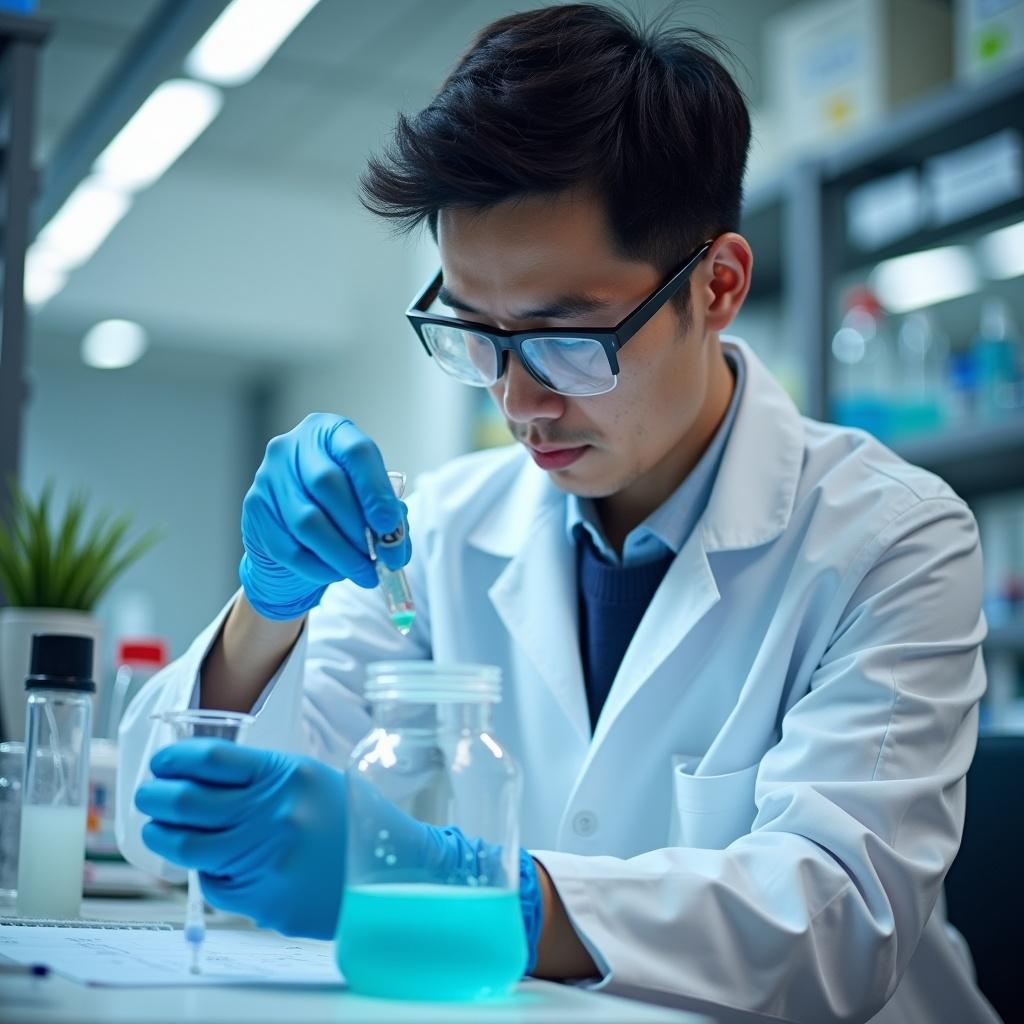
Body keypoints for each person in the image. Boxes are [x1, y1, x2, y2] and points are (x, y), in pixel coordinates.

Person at [116, 5, 1000, 1022]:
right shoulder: (437, 534)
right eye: (475, 332)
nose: (518, 400)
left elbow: (838, 921)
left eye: (568, 334)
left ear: (715, 287)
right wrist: (266, 610)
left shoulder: (890, 537)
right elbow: (162, 828)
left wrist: (490, 890)